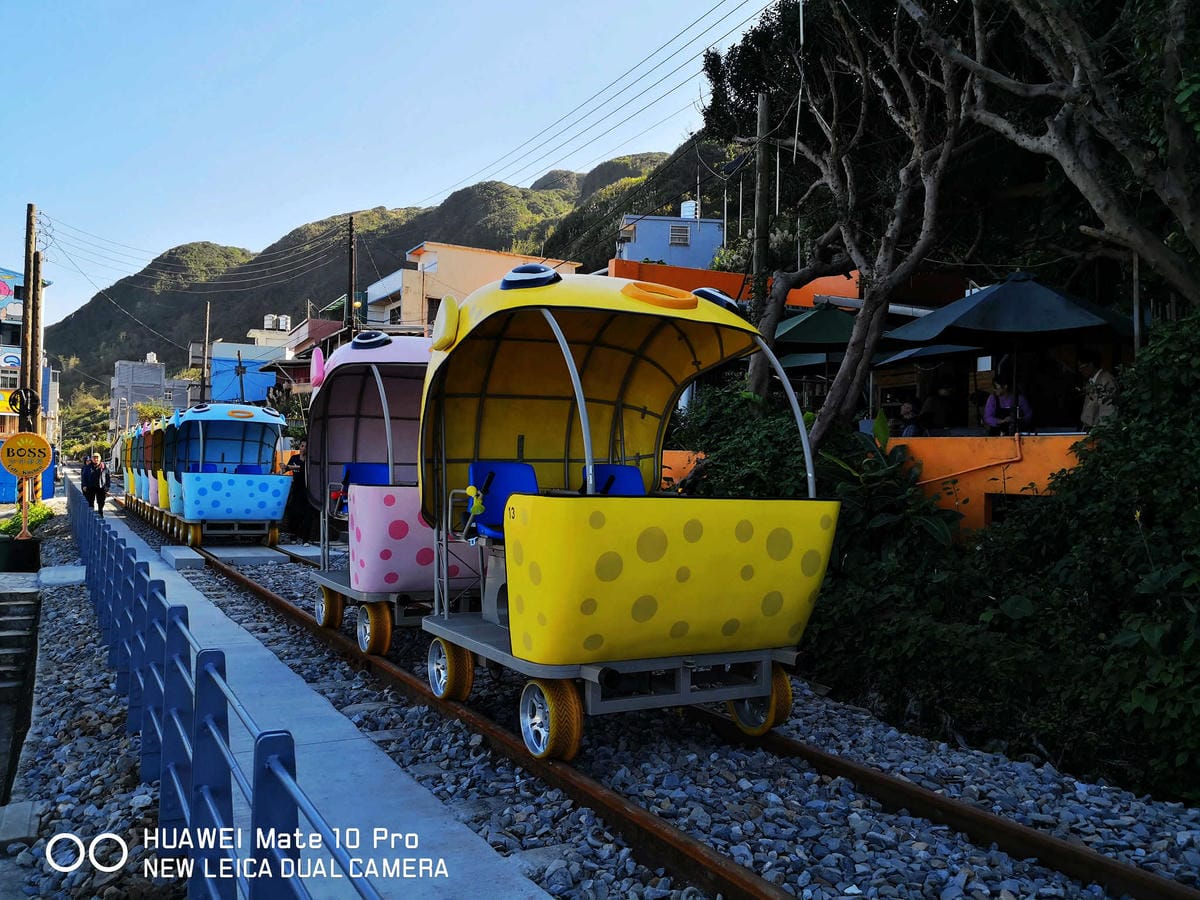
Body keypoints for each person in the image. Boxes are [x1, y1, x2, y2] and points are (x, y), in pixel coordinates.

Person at [283, 440, 316, 541]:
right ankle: (294, 535)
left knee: (307, 513)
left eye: (305, 447)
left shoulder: (310, 460)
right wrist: (284, 467)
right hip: (297, 488)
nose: (303, 448)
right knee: (294, 512)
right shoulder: (294, 458)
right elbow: (286, 469)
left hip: (308, 489)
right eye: (302, 446)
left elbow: (304, 469)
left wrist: (294, 467)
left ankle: (305, 537)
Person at [1078, 350, 1116, 431]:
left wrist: (1100, 430)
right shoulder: (1091, 381)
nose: (1080, 370)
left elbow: (1107, 412)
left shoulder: (1106, 381)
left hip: (1099, 433)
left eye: (1082, 367)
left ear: (1091, 365)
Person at [81, 452, 112, 516]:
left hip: (101, 487)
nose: (96, 460)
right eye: (94, 458)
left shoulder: (104, 467)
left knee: (101, 501)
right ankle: (91, 514)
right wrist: (84, 485)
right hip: (90, 487)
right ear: (92, 459)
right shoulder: (88, 467)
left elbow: (108, 477)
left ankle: (100, 512)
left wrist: (107, 486)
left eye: (97, 458)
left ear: (100, 459)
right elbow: (84, 477)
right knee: (90, 501)